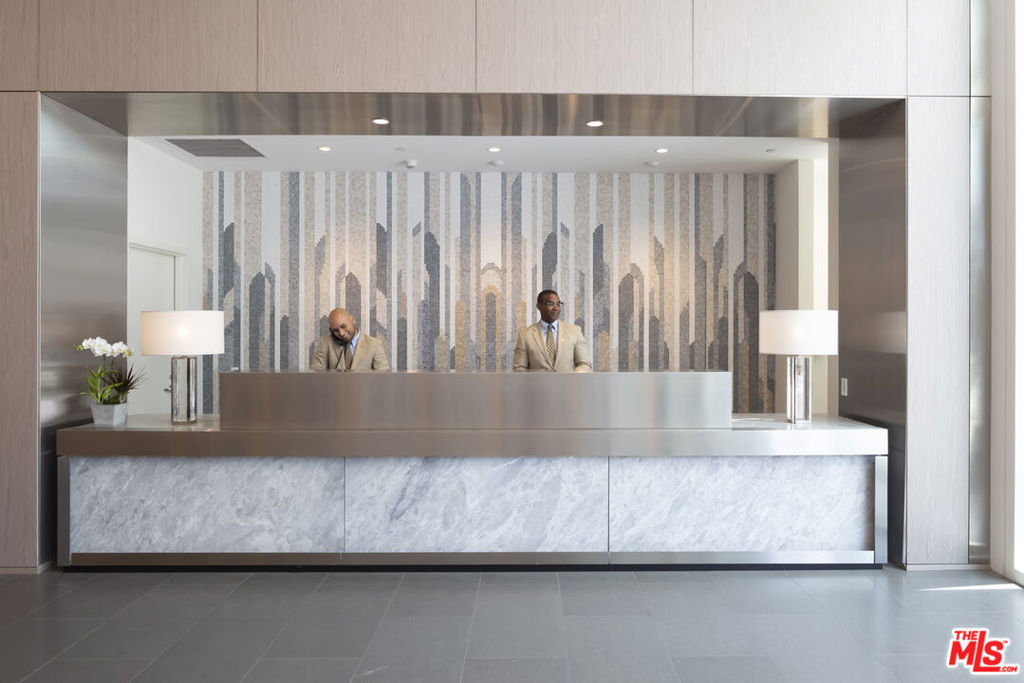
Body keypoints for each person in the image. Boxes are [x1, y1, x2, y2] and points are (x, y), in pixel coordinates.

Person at [513, 290, 592, 372]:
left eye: (558, 304)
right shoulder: (525, 335)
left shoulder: (575, 332)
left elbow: (584, 364)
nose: (556, 308)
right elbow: (520, 368)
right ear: (539, 306)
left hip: (568, 380)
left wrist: (573, 379)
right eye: (550, 304)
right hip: (537, 381)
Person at [310, 308, 389, 371]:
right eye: (336, 330)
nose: (341, 333)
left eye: (343, 326)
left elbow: (383, 379)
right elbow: (315, 375)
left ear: (352, 320)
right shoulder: (325, 343)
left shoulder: (375, 345)